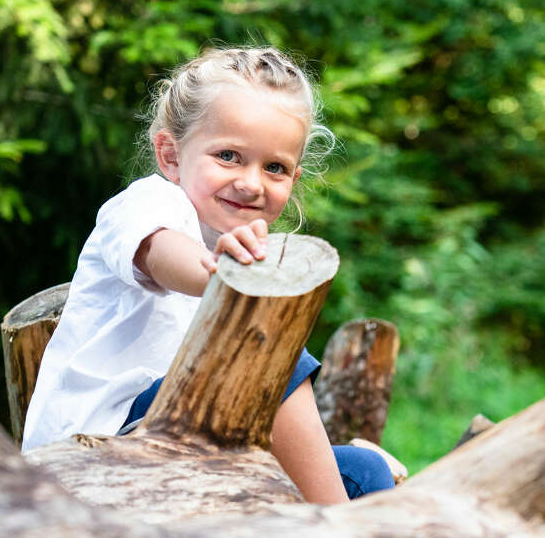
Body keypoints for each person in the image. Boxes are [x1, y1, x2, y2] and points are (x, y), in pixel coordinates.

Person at [22, 46, 394, 503]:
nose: (251, 182)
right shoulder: (149, 203)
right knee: (263, 348)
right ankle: (339, 530)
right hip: (99, 447)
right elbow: (159, 253)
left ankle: (355, 519)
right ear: (171, 155)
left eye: (274, 167)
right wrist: (223, 277)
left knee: (365, 470)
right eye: (229, 156)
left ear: (293, 179)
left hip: (191, 442)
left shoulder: (235, 238)